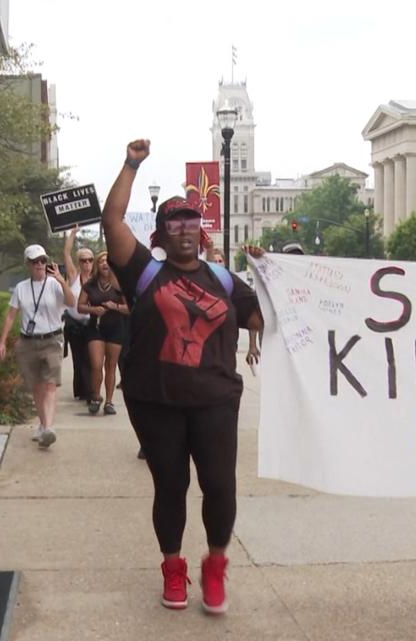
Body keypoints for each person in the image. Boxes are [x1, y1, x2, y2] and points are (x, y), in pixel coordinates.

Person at [102, 138, 263, 615]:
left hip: (215, 400)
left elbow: (264, 318)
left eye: (192, 222)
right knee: (170, 487)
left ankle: (215, 567)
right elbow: (111, 220)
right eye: (175, 223)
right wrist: (131, 165)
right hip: (157, 401)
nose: (185, 230)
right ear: (161, 235)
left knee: (219, 486)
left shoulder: (226, 281)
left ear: (202, 230)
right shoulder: (145, 275)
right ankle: (173, 568)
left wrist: (276, 276)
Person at [0, 244, 76, 449]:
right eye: (35, 261)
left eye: (42, 260)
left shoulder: (55, 284)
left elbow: (71, 302)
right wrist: (2, 342)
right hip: (28, 341)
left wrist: (62, 281)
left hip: (52, 340)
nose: (40, 265)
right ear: (28, 264)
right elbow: (11, 315)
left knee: (49, 385)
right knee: (37, 387)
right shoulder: (22, 288)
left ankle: (49, 428)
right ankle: (43, 425)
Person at [77, 251, 129, 416]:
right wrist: (94, 309)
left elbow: (130, 309)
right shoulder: (90, 285)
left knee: (111, 366)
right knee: (96, 365)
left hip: (116, 329)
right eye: (101, 262)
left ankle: (109, 401)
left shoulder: (120, 285)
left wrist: (116, 307)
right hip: (96, 329)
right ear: (97, 266)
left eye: (108, 261)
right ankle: (95, 397)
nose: (105, 264)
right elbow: (80, 306)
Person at [62, 227, 96, 402]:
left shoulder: (97, 279)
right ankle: (82, 390)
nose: (87, 264)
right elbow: (66, 253)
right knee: (79, 358)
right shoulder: (74, 276)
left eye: (90, 260)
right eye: (83, 260)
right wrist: (73, 234)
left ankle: (91, 391)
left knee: (91, 358)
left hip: (91, 324)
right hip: (74, 325)